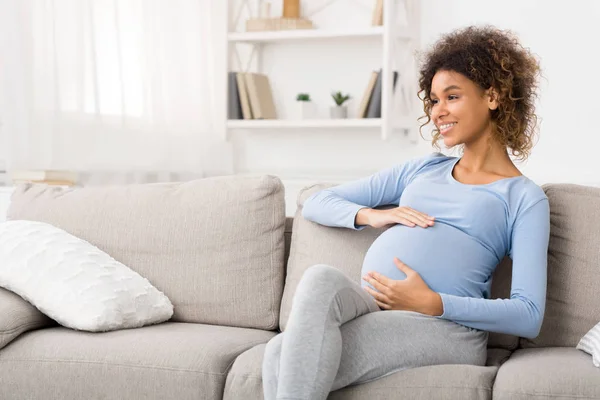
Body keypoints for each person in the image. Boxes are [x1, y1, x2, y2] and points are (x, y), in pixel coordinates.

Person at [262, 25, 550, 400]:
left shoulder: (523, 197)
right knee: (318, 280)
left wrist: (432, 302)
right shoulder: (422, 169)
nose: (437, 112)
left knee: (279, 354)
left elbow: (529, 315)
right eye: (433, 100)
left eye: (452, 96)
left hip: (443, 328)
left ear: (492, 96)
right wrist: (376, 215)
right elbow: (315, 202)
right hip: (374, 305)